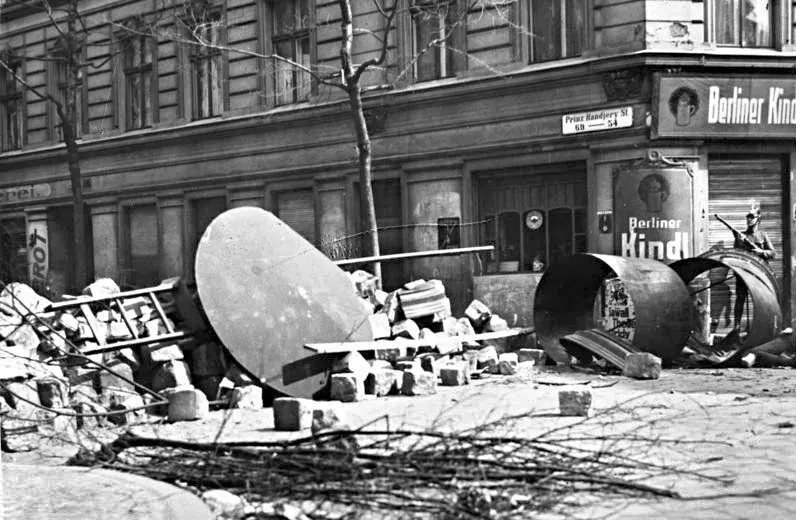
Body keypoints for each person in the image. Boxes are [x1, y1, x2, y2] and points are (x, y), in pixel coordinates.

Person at [732, 209, 775, 329]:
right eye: (748, 217)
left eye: (752, 217)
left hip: (758, 273)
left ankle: (761, 327)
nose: (749, 220)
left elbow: (773, 253)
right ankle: (737, 327)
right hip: (743, 272)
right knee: (740, 299)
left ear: (758, 220)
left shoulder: (763, 235)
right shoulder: (741, 236)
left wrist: (761, 252)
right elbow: (736, 254)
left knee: (761, 301)